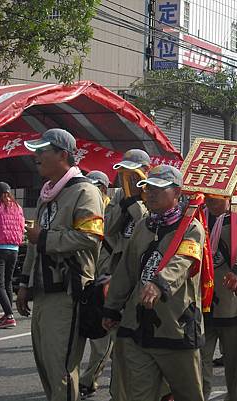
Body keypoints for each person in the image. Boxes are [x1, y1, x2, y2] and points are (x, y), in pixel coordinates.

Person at [102, 165, 206, 401]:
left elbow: (182, 262)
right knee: (140, 394)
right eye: (148, 188)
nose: (150, 193)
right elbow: (126, 271)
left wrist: (159, 284)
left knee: (188, 394)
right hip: (138, 325)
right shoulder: (143, 226)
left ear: (177, 192)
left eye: (159, 189)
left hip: (175, 325)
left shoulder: (191, 228)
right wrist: (112, 307)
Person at [17, 128, 104, 401]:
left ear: (62, 155)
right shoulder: (47, 195)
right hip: (43, 292)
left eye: (42, 151)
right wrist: (24, 283)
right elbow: (34, 243)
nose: (36, 157)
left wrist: (45, 238)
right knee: (45, 364)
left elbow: (90, 237)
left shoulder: (85, 191)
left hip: (68, 293)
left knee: (61, 367)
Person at [201, 195, 237, 401]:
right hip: (202, 302)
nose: (210, 199)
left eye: (215, 195)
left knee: (235, 363)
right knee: (199, 361)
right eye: (207, 195)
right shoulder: (196, 216)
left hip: (231, 300)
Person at [104, 150, 151, 401]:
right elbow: (107, 229)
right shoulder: (120, 194)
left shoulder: (154, 193)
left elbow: (148, 225)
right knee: (119, 342)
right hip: (120, 269)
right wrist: (123, 207)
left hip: (144, 273)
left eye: (134, 172)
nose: (129, 177)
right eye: (125, 173)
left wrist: (135, 203)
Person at [78, 170, 113, 398]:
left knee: (102, 339)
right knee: (89, 332)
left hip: (110, 281)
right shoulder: (85, 208)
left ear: (103, 189)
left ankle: (88, 380)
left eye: (96, 186)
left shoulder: (114, 211)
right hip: (89, 280)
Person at [0, 182, 25, 329]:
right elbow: (22, 227)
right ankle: (8, 314)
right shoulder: (17, 207)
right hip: (14, 249)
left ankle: (9, 316)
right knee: (7, 282)